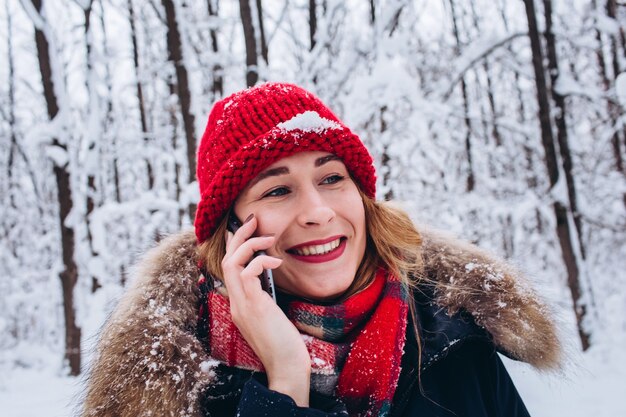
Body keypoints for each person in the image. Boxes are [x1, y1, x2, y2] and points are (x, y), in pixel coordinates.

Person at [81, 83, 561, 417]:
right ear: (231, 231)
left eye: (332, 179)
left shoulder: (457, 343)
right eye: (277, 190)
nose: (317, 212)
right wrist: (287, 380)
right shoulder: (178, 389)